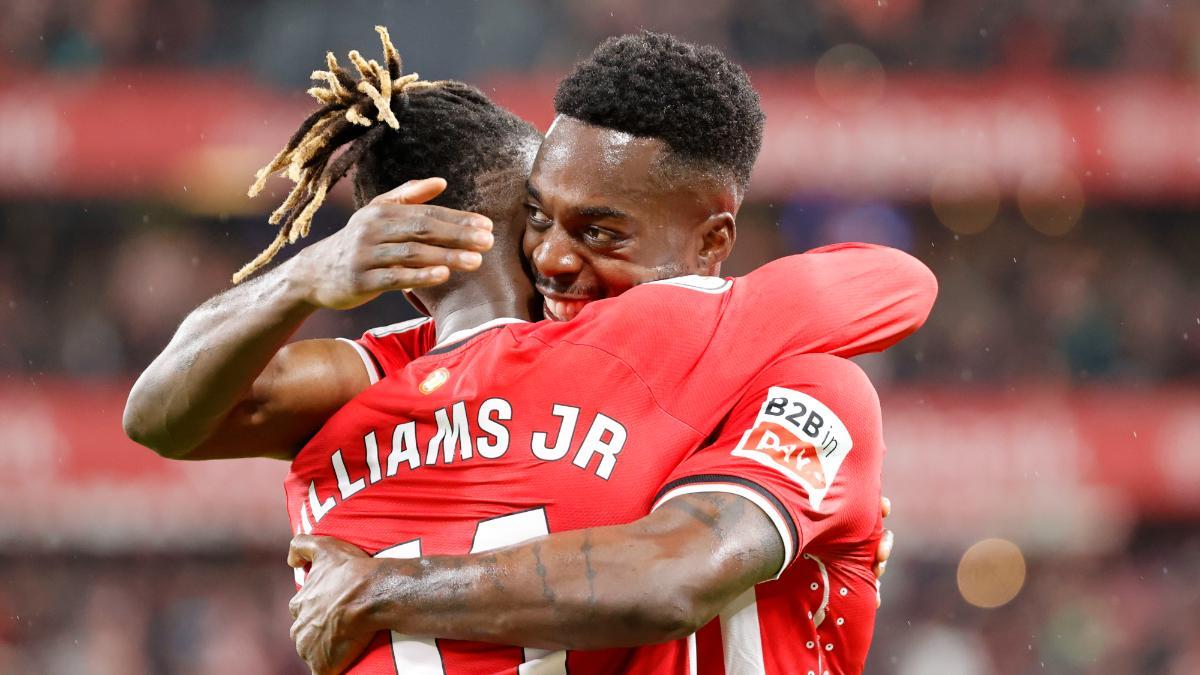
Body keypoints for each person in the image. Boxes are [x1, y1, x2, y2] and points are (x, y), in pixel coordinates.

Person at [122, 28, 926, 674]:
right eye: (535, 220)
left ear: (713, 243)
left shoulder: (777, 372)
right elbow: (897, 282)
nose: (552, 260)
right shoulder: (397, 364)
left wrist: (383, 586)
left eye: (599, 231)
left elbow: (674, 571)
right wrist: (308, 275)